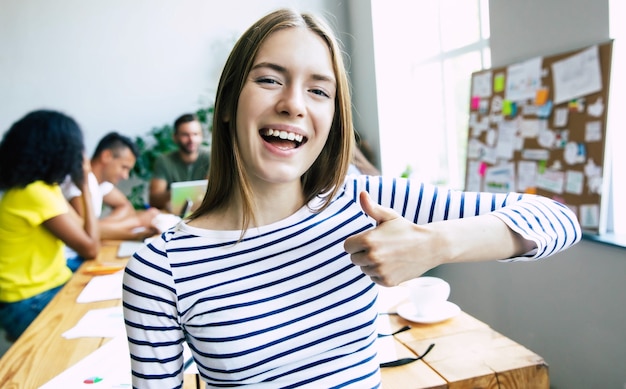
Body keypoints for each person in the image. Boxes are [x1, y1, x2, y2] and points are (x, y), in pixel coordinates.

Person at [122, 8, 581, 388]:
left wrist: (434, 244)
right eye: (269, 80)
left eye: (318, 90)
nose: (294, 104)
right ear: (225, 105)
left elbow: (557, 218)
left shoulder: (361, 203)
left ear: (332, 116)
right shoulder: (160, 270)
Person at [0, 110, 100, 341]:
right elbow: (91, 247)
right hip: (29, 299)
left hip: (50, 285)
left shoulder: (44, 189)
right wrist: (84, 184)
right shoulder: (33, 193)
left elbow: (86, 232)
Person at [62, 132, 160, 270]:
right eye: (124, 167)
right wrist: (136, 222)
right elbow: (87, 233)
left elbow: (125, 206)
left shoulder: (100, 183)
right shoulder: (80, 182)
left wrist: (101, 226)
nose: (125, 176)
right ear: (106, 156)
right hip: (71, 259)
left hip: (84, 254)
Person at [148, 113, 210, 210]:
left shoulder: (211, 157)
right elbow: (154, 200)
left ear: (201, 136)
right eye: (185, 135)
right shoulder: (164, 160)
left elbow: (212, 195)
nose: (191, 139)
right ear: (175, 137)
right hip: (173, 216)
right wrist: (182, 192)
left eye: (195, 134)